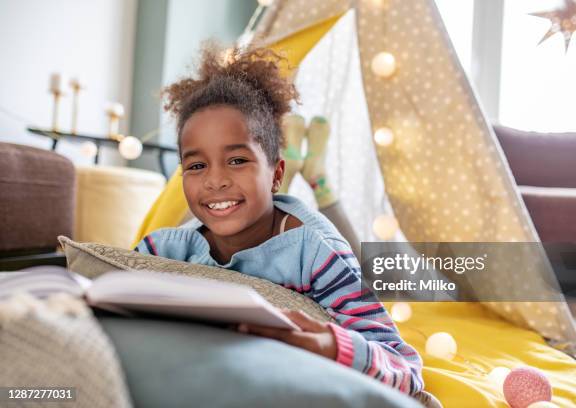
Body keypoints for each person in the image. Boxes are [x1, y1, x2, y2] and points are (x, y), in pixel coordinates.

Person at [134, 43, 423, 395]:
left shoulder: (316, 253)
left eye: (237, 160)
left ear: (275, 174)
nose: (215, 180)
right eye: (196, 166)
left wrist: (333, 346)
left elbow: (404, 367)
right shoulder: (163, 249)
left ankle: (315, 173)